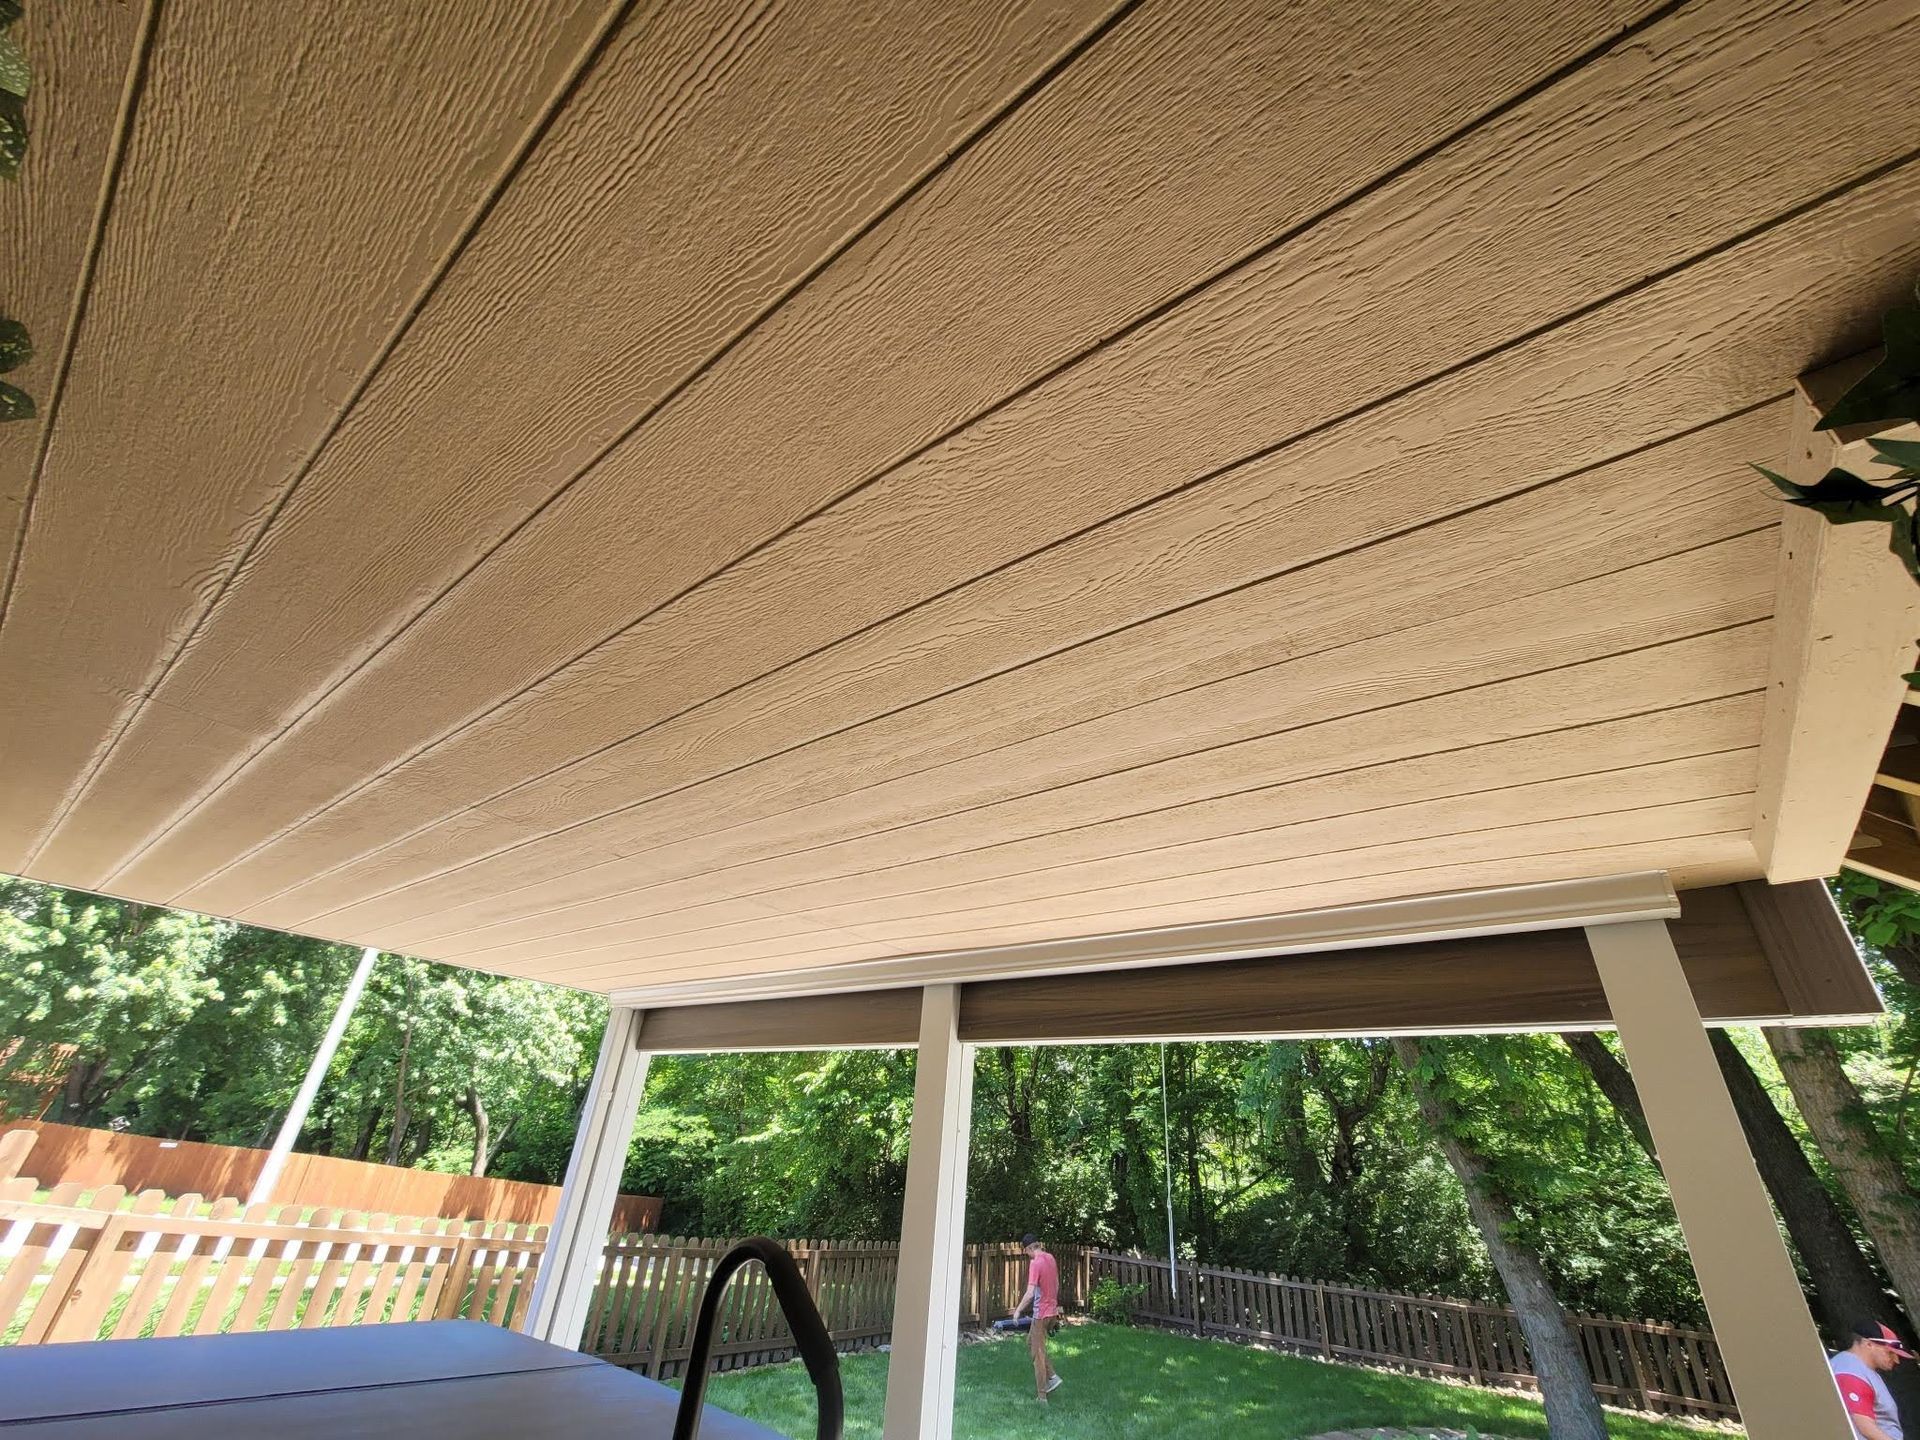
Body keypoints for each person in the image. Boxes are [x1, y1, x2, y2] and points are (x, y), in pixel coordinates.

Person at [1831, 1317, 1914, 1439]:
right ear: (1868, 1344)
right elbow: (1865, 1427)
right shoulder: (1851, 1371)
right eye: (1890, 1352)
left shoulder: (1860, 1369)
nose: (1897, 1360)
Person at [1008, 1232, 1062, 1402]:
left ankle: (1042, 1396)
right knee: (1031, 1342)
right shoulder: (1050, 1258)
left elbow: (1030, 1292)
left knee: (1037, 1354)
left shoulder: (1035, 1263)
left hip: (1041, 1314)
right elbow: (1057, 1284)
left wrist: (1017, 1311)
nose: (1027, 1255)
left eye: (1026, 1251)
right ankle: (1052, 1376)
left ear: (1030, 1248)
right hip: (1052, 1311)